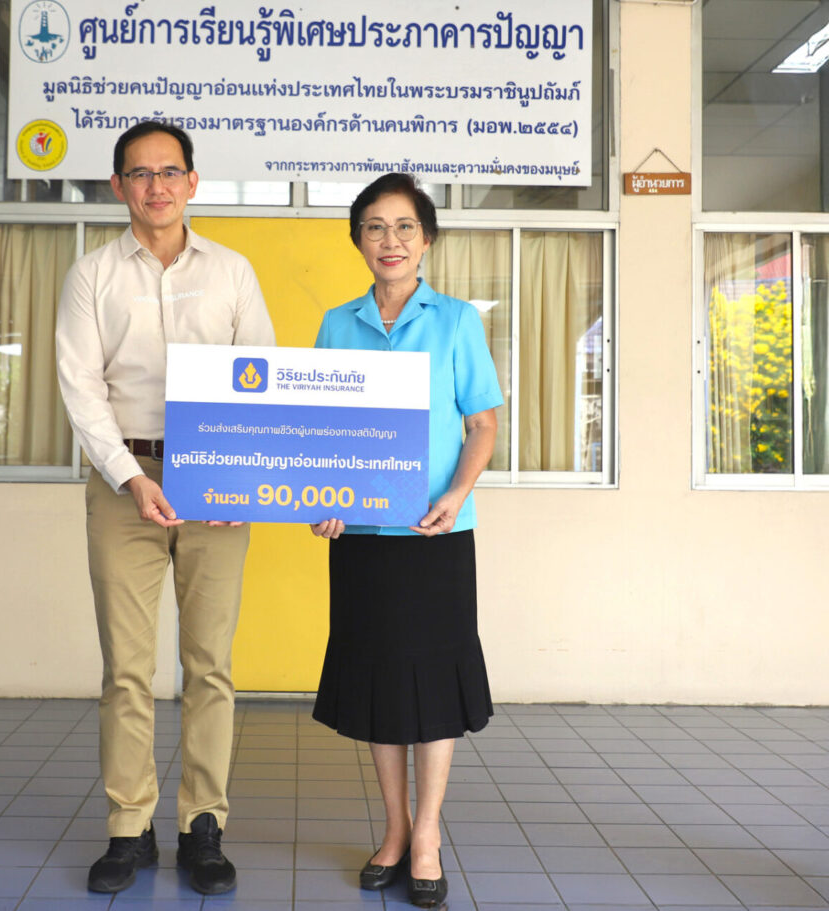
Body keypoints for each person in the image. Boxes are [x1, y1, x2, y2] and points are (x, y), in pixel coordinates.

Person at [54, 121, 275, 896]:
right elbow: (81, 387)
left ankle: (202, 824)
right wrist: (128, 475)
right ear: (118, 185)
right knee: (127, 667)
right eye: (140, 174)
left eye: (170, 171)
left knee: (209, 664)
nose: (157, 186)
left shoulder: (233, 272)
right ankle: (129, 827)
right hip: (126, 482)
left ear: (193, 182)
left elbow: (260, 375)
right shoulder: (91, 276)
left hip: (216, 485)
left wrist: (238, 477)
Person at [309, 173, 502, 908]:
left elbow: (482, 424)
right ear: (357, 239)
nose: (389, 240)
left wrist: (456, 494)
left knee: (433, 684)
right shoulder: (337, 324)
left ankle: (427, 834)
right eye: (374, 227)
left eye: (404, 227)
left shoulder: (456, 321)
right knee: (379, 682)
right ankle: (392, 829)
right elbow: (321, 433)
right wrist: (319, 499)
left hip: (434, 533)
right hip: (361, 536)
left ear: (427, 239)